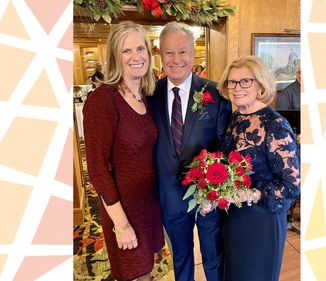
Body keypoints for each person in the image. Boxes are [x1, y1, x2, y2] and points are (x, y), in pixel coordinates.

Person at [148, 21, 232, 281]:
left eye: (182, 52)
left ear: (193, 53)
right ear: (160, 55)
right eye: (169, 52)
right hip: (169, 195)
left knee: (212, 255)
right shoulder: (149, 94)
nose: (176, 60)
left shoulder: (216, 93)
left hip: (207, 194)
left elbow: (224, 146)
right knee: (181, 257)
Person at [83, 21, 164, 281]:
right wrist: (121, 224)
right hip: (123, 209)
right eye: (126, 51)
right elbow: (97, 170)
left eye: (140, 48)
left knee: (147, 272)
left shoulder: (146, 96)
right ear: (115, 57)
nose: (135, 56)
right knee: (134, 274)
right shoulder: (103, 101)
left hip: (148, 204)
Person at [217, 55, 300, 281]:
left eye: (245, 81)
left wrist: (254, 193)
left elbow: (292, 185)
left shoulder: (275, 124)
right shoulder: (235, 118)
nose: (237, 88)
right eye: (232, 82)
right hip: (234, 216)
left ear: (260, 84)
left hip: (262, 219)